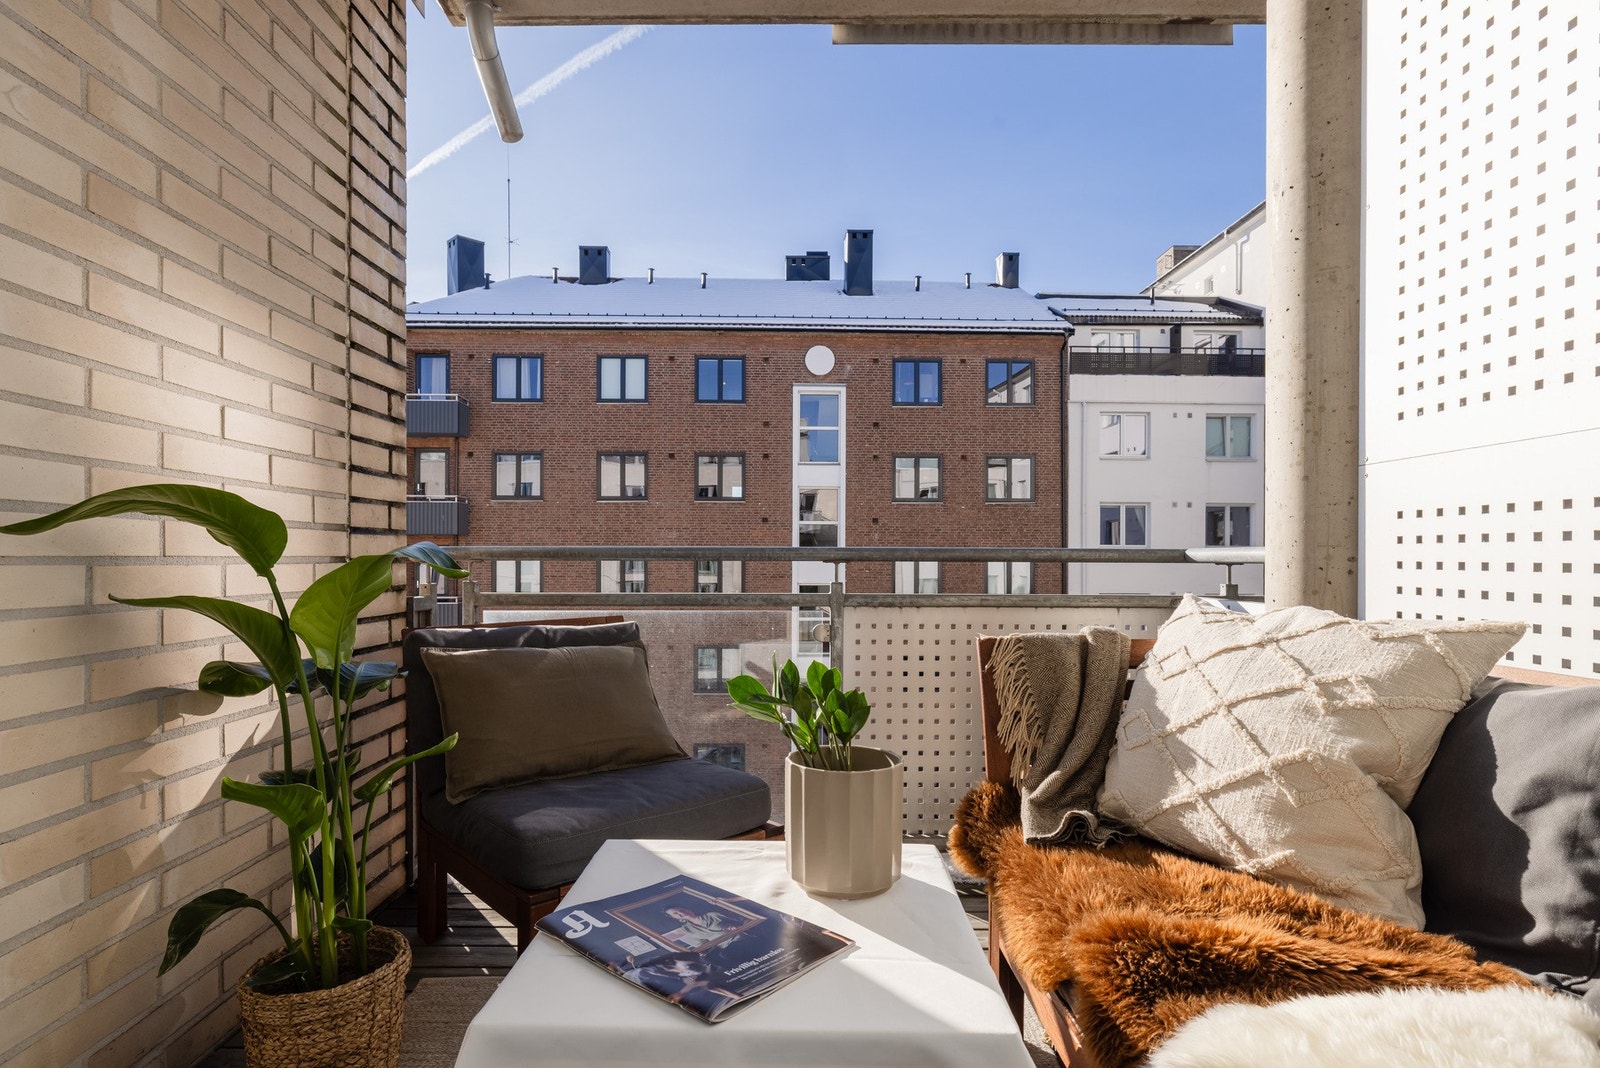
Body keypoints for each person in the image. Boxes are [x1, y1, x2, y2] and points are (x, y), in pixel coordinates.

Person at [663, 905, 729, 947]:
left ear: (686, 908)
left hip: (733, 938)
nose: (681, 913)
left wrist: (731, 924)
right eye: (675, 913)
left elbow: (735, 918)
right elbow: (702, 942)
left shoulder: (712, 915)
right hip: (723, 946)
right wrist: (702, 950)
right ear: (674, 918)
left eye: (681, 910)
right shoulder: (687, 929)